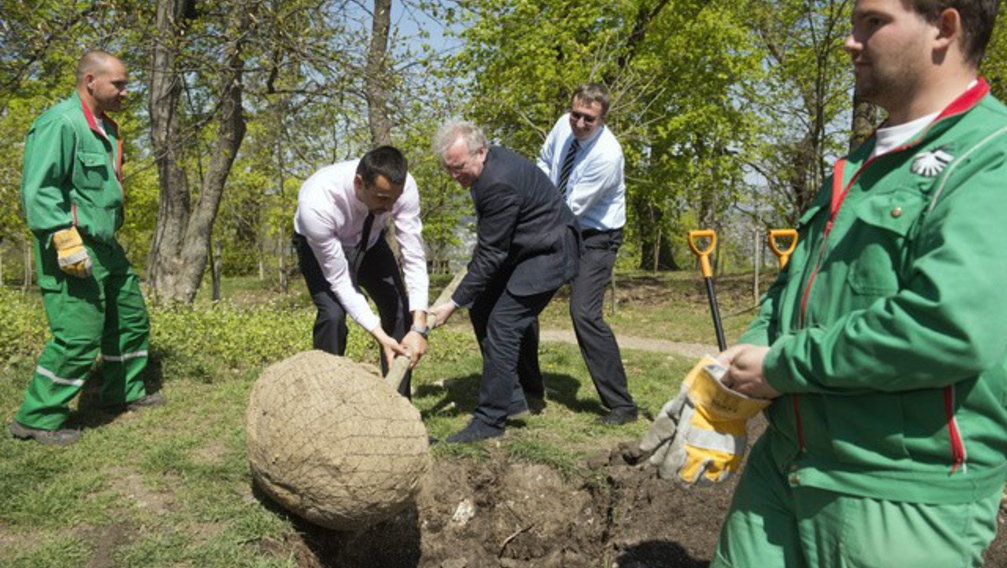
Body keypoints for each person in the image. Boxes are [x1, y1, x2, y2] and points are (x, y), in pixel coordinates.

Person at [709, 0, 1007, 565]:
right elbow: (795, 285)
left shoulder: (989, 157)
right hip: (785, 465)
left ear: (945, 29)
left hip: (895, 489)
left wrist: (778, 367)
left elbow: (949, 326)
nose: (850, 41)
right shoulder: (862, 162)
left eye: (872, 22)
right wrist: (732, 375)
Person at [11, 51, 161, 447]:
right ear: (91, 80)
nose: (126, 92)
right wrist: (62, 237)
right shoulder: (60, 123)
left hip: (107, 244)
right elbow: (39, 188)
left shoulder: (105, 128)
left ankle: (122, 392)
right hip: (73, 244)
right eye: (119, 84)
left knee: (130, 319)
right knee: (78, 335)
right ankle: (37, 417)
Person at [428, 120, 580, 443]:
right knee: (483, 307)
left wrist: (452, 304)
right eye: (449, 170)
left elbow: (491, 254)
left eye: (459, 168)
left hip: (550, 251)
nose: (455, 177)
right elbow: (491, 246)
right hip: (527, 247)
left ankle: (490, 419)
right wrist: (467, 295)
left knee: (505, 322)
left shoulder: (496, 183)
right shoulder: (487, 168)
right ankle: (520, 394)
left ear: (480, 152)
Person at [537, 83, 637, 425]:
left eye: (589, 119)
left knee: (584, 313)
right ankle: (527, 388)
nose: (579, 123)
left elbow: (571, 208)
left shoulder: (607, 156)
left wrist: (527, 227)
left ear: (603, 119)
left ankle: (622, 405)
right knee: (521, 299)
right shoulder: (562, 126)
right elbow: (544, 162)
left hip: (597, 237)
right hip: (557, 222)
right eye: (575, 114)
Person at [293, 146, 429, 397]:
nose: (389, 208)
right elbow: (341, 282)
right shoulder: (317, 203)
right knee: (333, 317)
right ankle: (325, 402)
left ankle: (398, 409)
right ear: (359, 182)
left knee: (399, 308)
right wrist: (379, 335)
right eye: (382, 197)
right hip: (321, 247)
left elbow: (413, 255)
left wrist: (419, 327)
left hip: (370, 242)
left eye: (394, 199)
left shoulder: (404, 185)